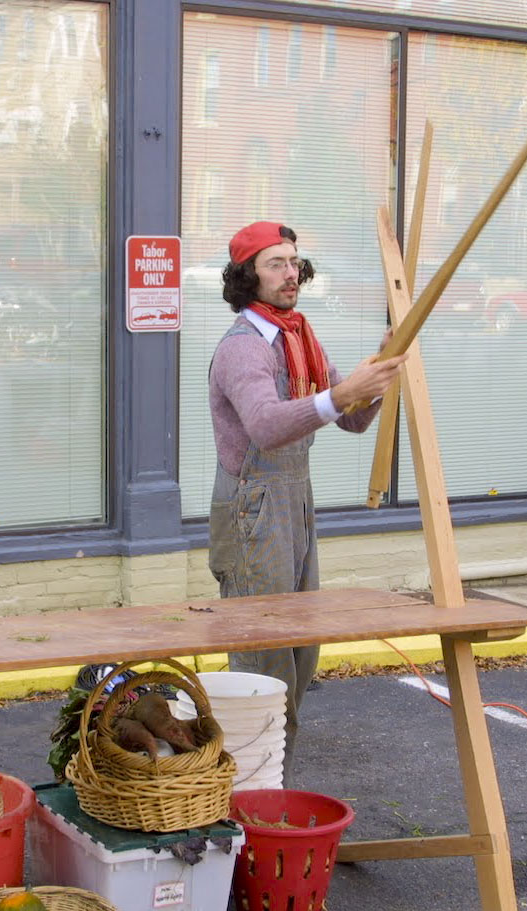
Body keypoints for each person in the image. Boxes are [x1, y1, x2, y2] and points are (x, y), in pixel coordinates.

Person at [207, 220, 409, 782]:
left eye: (294, 262)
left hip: (295, 501)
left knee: (300, 656)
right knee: (261, 662)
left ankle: (272, 789)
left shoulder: (299, 338)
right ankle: (242, 800)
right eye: (275, 263)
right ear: (247, 276)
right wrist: (342, 394)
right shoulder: (244, 348)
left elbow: (353, 420)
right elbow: (268, 427)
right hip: (253, 507)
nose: (290, 272)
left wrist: (377, 374)